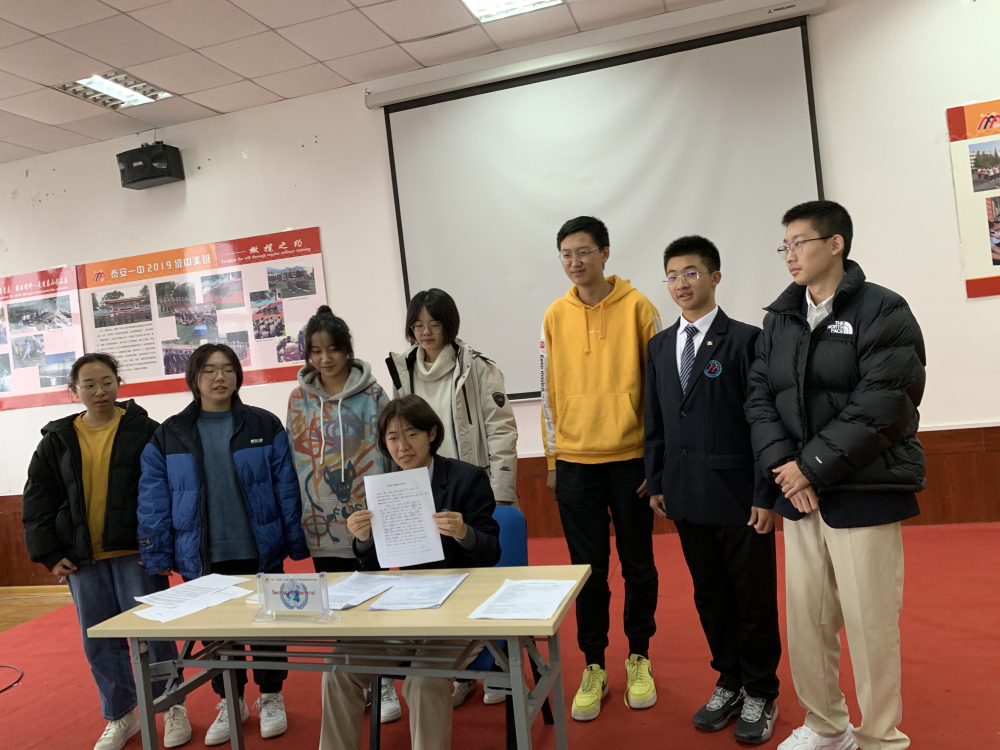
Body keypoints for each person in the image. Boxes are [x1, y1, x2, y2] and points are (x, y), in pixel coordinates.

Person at [745, 201, 926, 750]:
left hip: (863, 489)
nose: (789, 254)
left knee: (871, 624)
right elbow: (759, 398)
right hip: (800, 497)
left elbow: (886, 402)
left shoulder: (883, 309)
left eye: (799, 242)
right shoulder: (780, 318)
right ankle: (826, 724)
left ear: (835, 243)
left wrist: (810, 468)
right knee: (808, 620)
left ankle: (880, 737)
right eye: (784, 245)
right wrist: (787, 470)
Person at [644, 236, 781, 744]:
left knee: (753, 597)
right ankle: (730, 680)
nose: (681, 283)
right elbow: (656, 419)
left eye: (691, 273)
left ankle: (761, 689)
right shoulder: (660, 346)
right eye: (672, 275)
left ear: (715, 277)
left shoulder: (745, 340)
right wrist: (658, 480)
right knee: (710, 596)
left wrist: (765, 493)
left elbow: (763, 422)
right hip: (684, 494)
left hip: (739, 496)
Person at [138, 343, 309, 746]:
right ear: (194, 378)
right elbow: (153, 498)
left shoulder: (264, 424)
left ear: (238, 376)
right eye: (210, 370)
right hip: (202, 553)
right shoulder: (170, 434)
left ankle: (271, 696)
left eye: (228, 369)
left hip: (259, 547)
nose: (220, 377)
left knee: (269, 628)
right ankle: (230, 701)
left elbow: (287, 487)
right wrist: (157, 552)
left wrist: (295, 541)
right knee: (216, 636)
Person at [22, 353, 192, 750]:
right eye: (89, 385)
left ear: (119, 383)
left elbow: (168, 492)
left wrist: (162, 548)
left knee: (154, 634)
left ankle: (172, 706)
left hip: (137, 554)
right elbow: (38, 500)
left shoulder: (145, 430)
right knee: (99, 640)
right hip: (83, 559)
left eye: (106, 382)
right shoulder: (57, 440)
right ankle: (121, 715)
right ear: (74, 390)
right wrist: (49, 553)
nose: (99, 391)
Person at [320, 394, 501, 750]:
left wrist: (464, 533)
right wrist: (364, 541)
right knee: (338, 668)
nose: (402, 446)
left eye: (411, 434)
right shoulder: (384, 488)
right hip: (404, 613)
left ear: (432, 433)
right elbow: (373, 568)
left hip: (458, 613)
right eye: (392, 438)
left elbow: (492, 551)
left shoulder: (466, 479)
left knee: (423, 681)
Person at [540, 215, 661, 722]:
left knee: (638, 565)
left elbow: (658, 390)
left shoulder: (639, 308)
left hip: (631, 460)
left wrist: (655, 460)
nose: (575, 262)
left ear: (606, 253)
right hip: (575, 463)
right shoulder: (554, 315)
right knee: (587, 571)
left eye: (584, 252)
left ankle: (639, 657)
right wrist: (552, 458)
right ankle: (594, 664)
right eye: (566, 254)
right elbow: (547, 390)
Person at [386, 287, 518, 707]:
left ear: (449, 326)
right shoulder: (402, 369)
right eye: (417, 325)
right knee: (435, 581)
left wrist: (502, 493)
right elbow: (399, 433)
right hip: (424, 487)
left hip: (470, 487)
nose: (425, 332)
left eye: (434, 324)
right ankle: (458, 671)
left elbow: (501, 430)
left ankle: (496, 667)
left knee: (483, 577)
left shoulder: (476, 367)